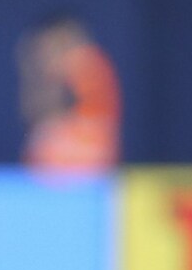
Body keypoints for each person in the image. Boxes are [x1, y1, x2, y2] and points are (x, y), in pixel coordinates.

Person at [18, 13, 120, 173]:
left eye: (54, 44)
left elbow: (42, 106)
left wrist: (30, 65)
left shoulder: (87, 64)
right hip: (56, 166)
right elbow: (33, 111)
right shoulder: (66, 68)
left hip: (85, 163)